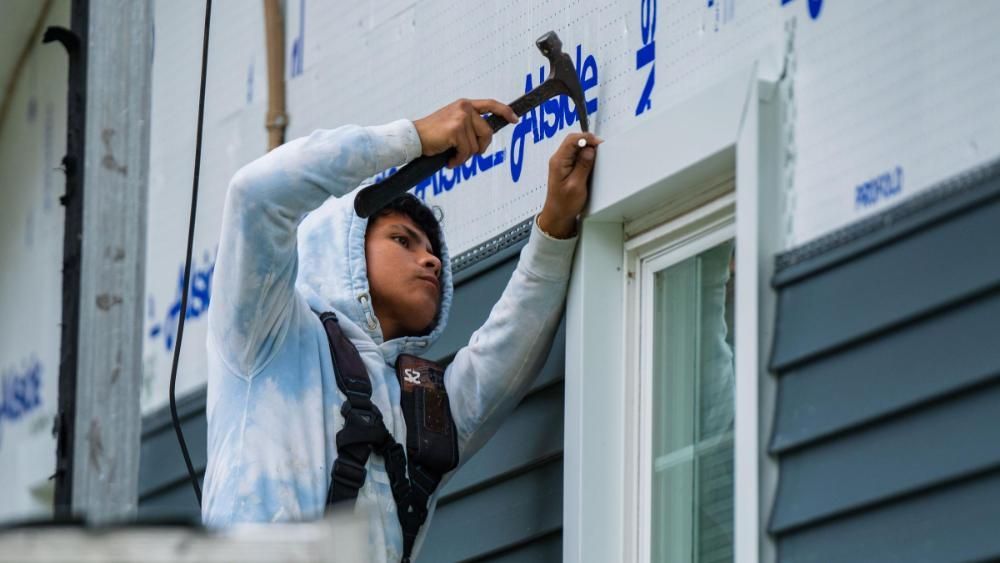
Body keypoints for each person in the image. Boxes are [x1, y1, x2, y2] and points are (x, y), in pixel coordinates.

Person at [201, 98, 601, 562]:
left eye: (431, 249)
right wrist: (413, 137)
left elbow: (507, 351)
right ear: (342, 248)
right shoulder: (269, 333)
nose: (430, 259)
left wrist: (554, 227)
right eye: (402, 240)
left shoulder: (420, 414)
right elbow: (256, 195)